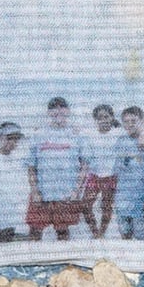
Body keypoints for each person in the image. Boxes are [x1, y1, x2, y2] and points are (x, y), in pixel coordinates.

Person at [27, 97, 88, 241]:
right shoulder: (38, 134)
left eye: (62, 108)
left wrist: (76, 191)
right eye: (54, 108)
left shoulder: (77, 135)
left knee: (63, 232)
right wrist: (35, 191)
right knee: (35, 231)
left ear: (68, 111)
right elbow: (31, 166)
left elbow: (84, 166)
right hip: (42, 192)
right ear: (48, 112)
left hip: (66, 193)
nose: (58, 111)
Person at [113, 107, 144, 240]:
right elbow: (117, 170)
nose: (130, 124)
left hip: (141, 200)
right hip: (122, 200)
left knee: (143, 239)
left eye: (134, 121)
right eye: (126, 121)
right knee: (125, 236)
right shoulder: (120, 141)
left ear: (142, 121)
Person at [80, 104, 119, 238]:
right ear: (96, 120)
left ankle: (102, 232)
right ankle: (95, 232)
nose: (103, 120)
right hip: (94, 176)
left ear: (112, 117)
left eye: (106, 117)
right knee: (85, 205)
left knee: (106, 206)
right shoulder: (90, 135)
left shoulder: (118, 134)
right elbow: (85, 158)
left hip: (111, 176)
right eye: (99, 118)